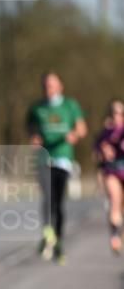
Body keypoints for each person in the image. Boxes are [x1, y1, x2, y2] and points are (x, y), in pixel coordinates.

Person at [26, 71, 87, 264]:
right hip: (44, 157)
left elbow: (81, 128)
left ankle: (58, 240)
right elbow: (31, 127)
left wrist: (74, 135)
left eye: (52, 85)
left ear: (60, 86)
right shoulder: (36, 107)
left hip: (62, 158)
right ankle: (47, 232)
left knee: (58, 202)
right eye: (45, 85)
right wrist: (33, 137)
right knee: (47, 196)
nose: (48, 88)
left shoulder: (70, 105)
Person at [93, 98, 124, 254]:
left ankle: (120, 233)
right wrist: (103, 153)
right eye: (114, 112)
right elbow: (96, 154)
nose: (116, 116)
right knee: (115, 200)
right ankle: (114, 236)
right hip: (112, 171)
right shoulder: (104, 133)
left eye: (120, 112)